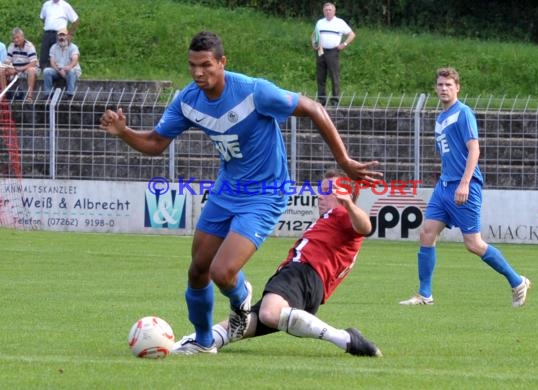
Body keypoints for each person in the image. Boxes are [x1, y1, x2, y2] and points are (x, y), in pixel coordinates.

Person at [100, 31, 381, 355]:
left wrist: (344, 160)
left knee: (223, 271)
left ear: (222, 62)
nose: (198, 73)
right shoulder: (188, 100)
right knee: (198, 269)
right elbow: (155, 143)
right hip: (226, 190)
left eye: (206, 65)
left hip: (266, 192)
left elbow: (314, 108)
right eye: (192, 65)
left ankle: (240, 298)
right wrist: (123, 132)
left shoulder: (253, 91)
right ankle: (204, 342)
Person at [172, 169, 381, 357]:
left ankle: (345, 338)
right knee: (241, 326)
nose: (320, 195)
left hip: (303, 274)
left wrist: (350, 204)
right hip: (307, 287)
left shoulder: (343, 214)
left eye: (327, 191)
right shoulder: (332, 219)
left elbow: (365, 227)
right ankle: (182, 345)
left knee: (269, 313)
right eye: (320, 189)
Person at [399, 67, 531, 308]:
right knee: (427, 232)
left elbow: (474, 149)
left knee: (474, 244)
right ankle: (425, 294)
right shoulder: (439, 118)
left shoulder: (463, 113)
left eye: (448, 85)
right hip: (444, 186)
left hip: (464, 186)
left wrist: (464, 183)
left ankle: (517, 281)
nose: (443, 88)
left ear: (457, 87)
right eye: (440, 85)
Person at [311, 2, 355, 107]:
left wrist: (344, 44)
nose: (328, 12)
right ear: (323, 11)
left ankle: (335, 101)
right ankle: (321, 100)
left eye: (330, 10)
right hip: (320, 51)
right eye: (326, 10)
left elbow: (352, 34)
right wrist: (313, 43)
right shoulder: (320, 22)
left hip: (332, 52)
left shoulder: (339, 22)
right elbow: (314, 34)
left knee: (334, 76)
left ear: (334, 11)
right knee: (320, 77)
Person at [0, 28, 41, 102]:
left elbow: (33, 63)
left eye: (17, 37)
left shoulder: (29, 46)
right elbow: (8, 60)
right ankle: (4, 94)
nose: (16, 40)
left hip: (28, 68)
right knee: (1, 70)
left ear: (22, 37)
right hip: (16, 69)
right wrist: (8, 67)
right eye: (14, 38)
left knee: (31, 70)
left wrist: (21, 68)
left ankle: (29, 96)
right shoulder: (11, 46)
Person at [39, 0, 79, 70]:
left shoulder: (65, 5)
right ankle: (44, 72)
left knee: (58, 54)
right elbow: (42, 18)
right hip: (47, 33)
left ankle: (59, 71)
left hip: (60, 34)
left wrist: (70, 34)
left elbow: (75, 20)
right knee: (44, 54)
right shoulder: (46, 4)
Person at [43, 27, 81, 99]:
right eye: (60, 35)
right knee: (46, 71)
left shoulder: (73, 47)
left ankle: (70, 94)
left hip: (71, 70)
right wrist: (60, 70)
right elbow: (52, 62)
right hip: (58, 70)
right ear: (57, 37)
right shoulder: (53, 47)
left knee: (71, 71)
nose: (61, 37)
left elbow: (75, 61)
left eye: (63, 35)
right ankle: (48, 94)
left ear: (68, 36)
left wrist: (68, 67)